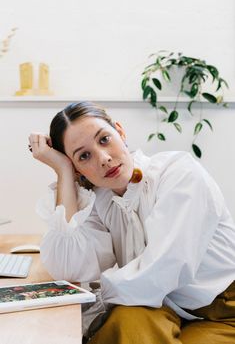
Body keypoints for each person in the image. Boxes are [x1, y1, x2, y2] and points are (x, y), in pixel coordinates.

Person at [29, 101, 235, 344]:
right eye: (84, 156)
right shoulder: (102, 199)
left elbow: (165, 270)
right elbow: (69, 265)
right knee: (127, 321)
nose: (103, 158)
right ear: (77, 170)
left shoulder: (180, 174)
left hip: (223, 310)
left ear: (121, 132)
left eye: (104, 139)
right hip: (161, 306)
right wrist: (63, 171)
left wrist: (96, 298)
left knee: (123, 327)